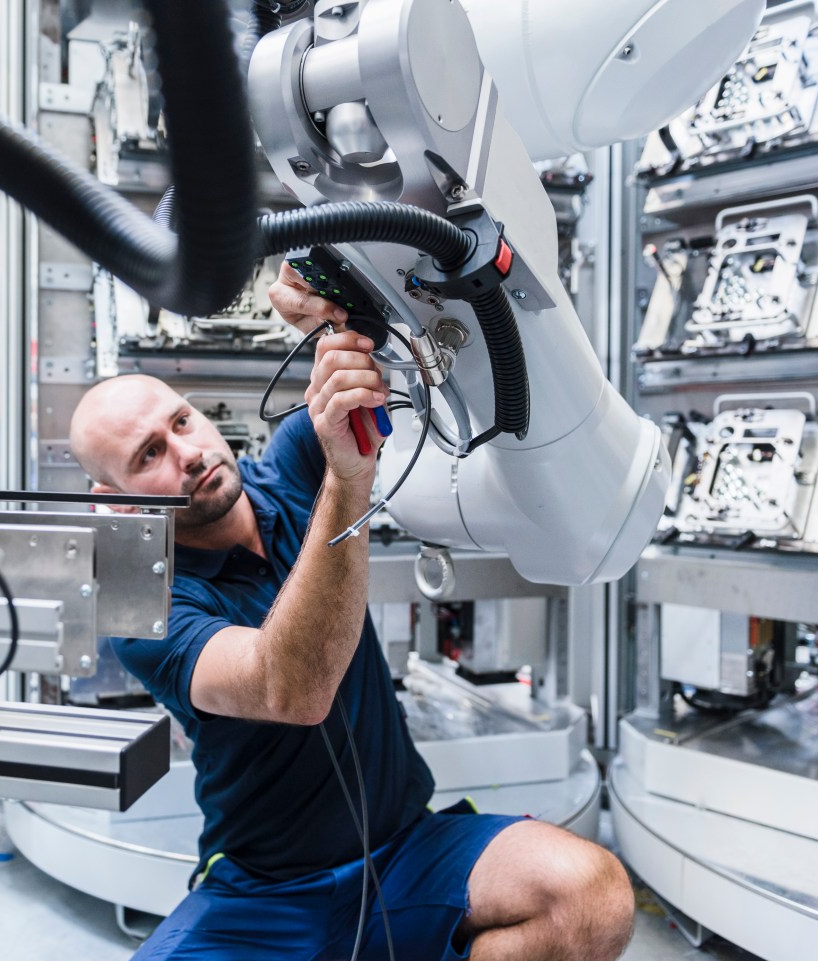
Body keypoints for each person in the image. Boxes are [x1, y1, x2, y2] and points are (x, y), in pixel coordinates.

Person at [67, 265, 635, 961]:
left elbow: (393, 340)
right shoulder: (144, 607)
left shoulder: (292, 466)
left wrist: (325, 306)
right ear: (114, 497)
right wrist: (348, 476)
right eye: (149, 454)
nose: (187, 454)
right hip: (263, 888)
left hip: (405, 849)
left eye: (181, 421)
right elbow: (292, 687)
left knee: (591, 894)